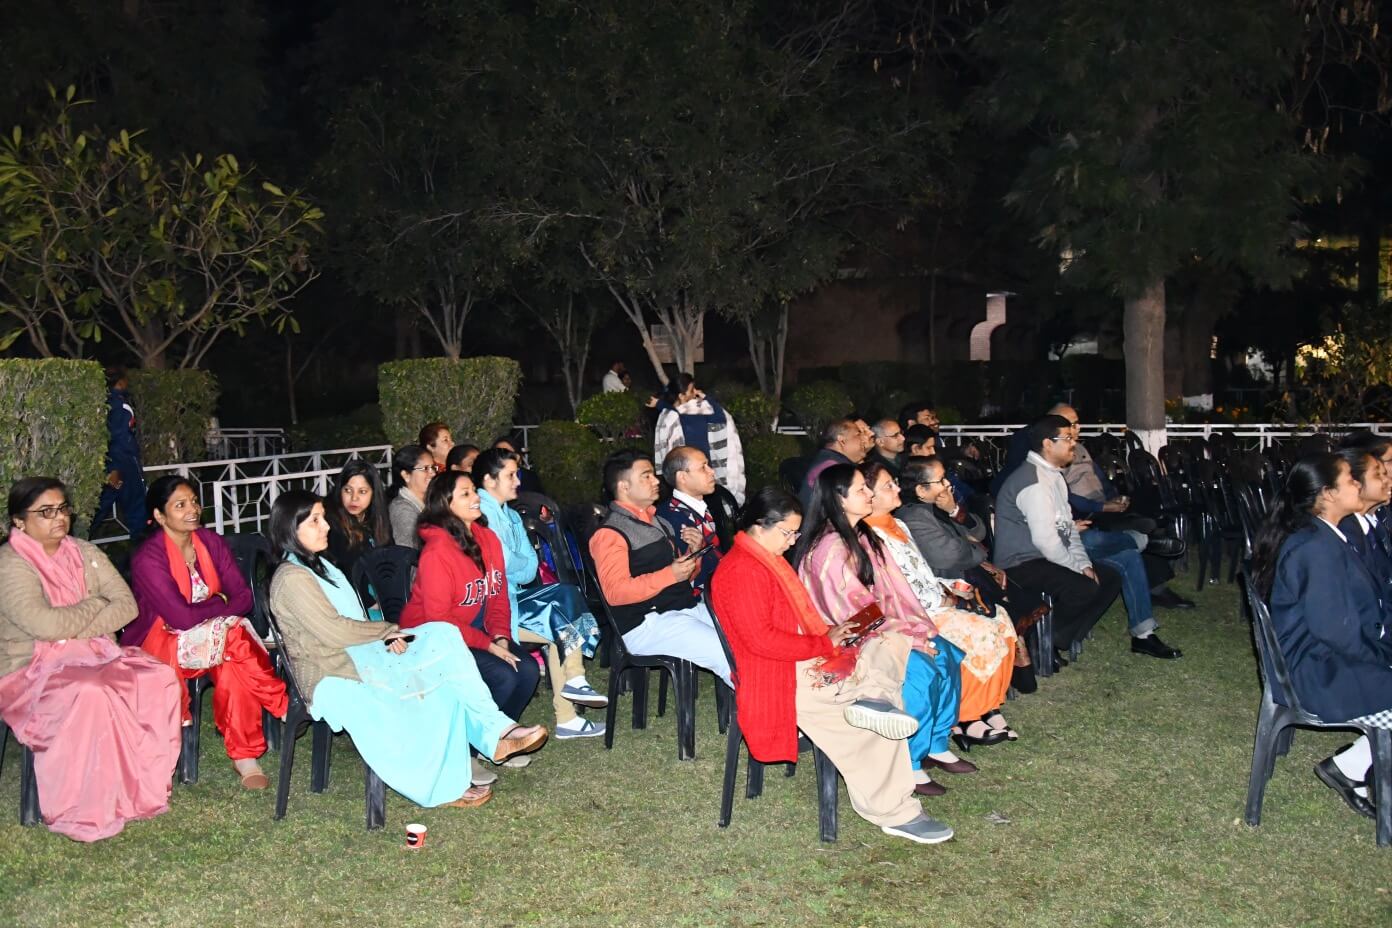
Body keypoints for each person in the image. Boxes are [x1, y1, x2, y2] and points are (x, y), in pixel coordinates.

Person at [267, 490, 547, 810]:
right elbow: (334, 630)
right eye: (315, 521)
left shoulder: (320, 566)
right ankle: (450, 777)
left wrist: (385, 638)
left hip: (360, 655)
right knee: (434, 674)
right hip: (331, 674)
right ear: (290, 528)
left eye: (323, 517)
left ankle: (496, 730)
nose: (326, 526)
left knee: (443, 637)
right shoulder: (291, 577)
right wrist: (385, 631)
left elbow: (351, 625)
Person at [709, 487, 953, 845]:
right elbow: (762, 642)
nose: (793, 542)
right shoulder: (741, 571)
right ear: (760, 526)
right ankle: (895, 813)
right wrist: (825, 642)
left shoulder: (765, 558)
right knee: (875, 730)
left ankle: (873, 697)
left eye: (796, 534)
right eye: (788, 533)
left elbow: (791, 621)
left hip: (804, 657)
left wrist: (833, 633)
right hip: (781, 676)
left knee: (889, 638)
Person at [0, 477, 181, 841]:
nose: (59, 518)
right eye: (45, 512)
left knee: (157, 677)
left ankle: (135, 786)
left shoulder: (84, 552)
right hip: (31, 671)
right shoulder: (10, 564)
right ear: (19, 521)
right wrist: (96, 605)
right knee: (91, 692)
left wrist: (76, 628)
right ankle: (88, 803)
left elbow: (127, 606)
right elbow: (44, 625)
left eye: (62, 509)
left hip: (97, 655)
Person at [793, 464, 972, 797]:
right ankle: (909, 760)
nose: (870, 494)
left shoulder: (864, 535)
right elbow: (851, 614)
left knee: (946, 653)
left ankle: (935, 743)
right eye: (861, 489)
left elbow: (897, 592)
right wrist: (909, 637)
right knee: (918, 670)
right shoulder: (828, 549)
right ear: (839, 498)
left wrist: (918, 629)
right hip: (851, 640)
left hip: (886, 627)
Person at [1251, 453, 1392, 819]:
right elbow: (1335, 631)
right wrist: (1383, 656)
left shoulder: (1325, 536)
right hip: (1316, 672)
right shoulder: (1314, 546)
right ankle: (1350, 767)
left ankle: (1351, 765)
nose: (1358, 485)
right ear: (1328, 494)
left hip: (1327, 659)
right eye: (1351, 481)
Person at [127, 476, 289, 789]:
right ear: (159, 516)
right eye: (180, 505)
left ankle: (245, 756)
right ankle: (281, 703)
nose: (192, 510)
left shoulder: (210, 542)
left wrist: (212, 609)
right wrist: (220, 602)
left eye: (193, 502)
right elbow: (180, 617)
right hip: (164, 641)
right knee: (234, 634)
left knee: (232, 660)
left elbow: (243, 597)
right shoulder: (149, 558)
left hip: (211, 636)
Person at [861, 461, 1020, 746]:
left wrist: (951, 587)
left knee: (1000, 619)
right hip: (912, 612)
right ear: (868, 496)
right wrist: (945, 597)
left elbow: (925, 569)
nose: (897, 488)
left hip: (935, 596)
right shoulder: (870, 535)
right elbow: (897, 589)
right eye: (888, 486)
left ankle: (988, 706)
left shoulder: (897, 524)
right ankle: (966, 716)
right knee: (980, 631)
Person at [399, 471, 543, 754]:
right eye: (465, 494)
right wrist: (488, 645)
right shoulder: (437, 551)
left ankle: (498, 743)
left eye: (474, 491)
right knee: (503, 676)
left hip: (472, 630)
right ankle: (467, 752)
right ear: (445, 504)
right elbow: (439, 620)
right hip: (431, 638)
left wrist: (501, 636)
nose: (476, 498)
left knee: (526, 670)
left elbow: (498, 594)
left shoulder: (487, 538)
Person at [472, 448, 607, 740]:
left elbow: (528, 568)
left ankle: (569, 709)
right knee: (565, 608)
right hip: (493, 608)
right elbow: (503, 562)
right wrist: (515, 563)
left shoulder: (510, 514)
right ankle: (574, 684)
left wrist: (514, 563)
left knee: (565, 613)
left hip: (514, 598)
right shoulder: (479, 513)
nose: (518, 481)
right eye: (510, 475)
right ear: (489, 480)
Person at [588, 450, 731, 684]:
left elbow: (681, 577)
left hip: (680, 609)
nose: (656, 481)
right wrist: (670, 574)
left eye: (653, 475)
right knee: (726, 653)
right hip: (645, 623)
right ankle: (762, 703)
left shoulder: (658, 521)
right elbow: (615, 593)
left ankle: (771, 698)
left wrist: (692, 555)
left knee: (743, 636)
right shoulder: (610, 533)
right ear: (624, 486)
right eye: (646, 476)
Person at [993, 416, 1125, 662]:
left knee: (1110, 578)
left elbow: (1067, 529)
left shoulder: (1053, 476)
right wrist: (1077, 569)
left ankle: (1055, 637)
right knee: (1083, 587)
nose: (1074, 443)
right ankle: (1040, 640)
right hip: (1019, 563)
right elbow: (1047, 542)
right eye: (1067, 438)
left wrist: (1084, 564)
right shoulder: (1033, 482)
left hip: (1042, 557)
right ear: (1048, 443)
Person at [1051, 405, 1192, 610]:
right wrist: (1102, 506)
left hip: (1103, 504)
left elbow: (1101, 479)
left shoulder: (1080, 449)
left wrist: (1115, 498)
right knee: (1141, 525)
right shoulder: (1053, 453)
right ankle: (1156, 580)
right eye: (1071, 424)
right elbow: (1066, 496)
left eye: (1077, 423)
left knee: (1151, 495)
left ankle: (1146, 537)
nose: (1077, 428)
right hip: (1087, 513)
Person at [653, 373, 746, 505]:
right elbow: (677, 413)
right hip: (688, 468)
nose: (696, 392)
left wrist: (706, 397)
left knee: (711, 502)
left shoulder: (700, 408)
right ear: (681, 396)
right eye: (692, 390)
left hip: (706, 464)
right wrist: (662, 405)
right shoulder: (669, 415)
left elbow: (720, 418)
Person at [656, 447, 724, 595]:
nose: (711, 471)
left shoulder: (692, 508)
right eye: (702, 468)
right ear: (682, 477)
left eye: (708, 465)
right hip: (700, 597)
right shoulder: (672, 518)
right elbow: (685, 580)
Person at [95, 366, 147, 538]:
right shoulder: (120, 405)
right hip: (124, 463)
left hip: (114, 463)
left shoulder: (104, 402)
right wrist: (115, 467)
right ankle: (143, 546)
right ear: (120, 382)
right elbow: (119, 438)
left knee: (100, 505)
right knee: (137, 508)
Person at [325, 459, 393, 582]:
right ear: (340, 490)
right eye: (348, 490)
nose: (354, 498)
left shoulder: (377, 518)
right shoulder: (332, 524)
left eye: (362, 492)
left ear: (373, 493)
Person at [1336, 447, 1392, 594]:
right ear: (1355, 482)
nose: (1387, 480)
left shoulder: (1368, 526)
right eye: (1377, 475)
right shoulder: (1345, 532)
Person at [800, 418, 867, 506]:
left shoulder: (830, 460)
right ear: (842, 440)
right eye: (858, 435)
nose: (864, 439)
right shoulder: (833, 468)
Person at [388, 444, 436, 548]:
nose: (432, 473)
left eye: (433, 468)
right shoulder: (401, 509)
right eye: (425, 469)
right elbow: (408, 550)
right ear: (406, 475)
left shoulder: (432, 500)